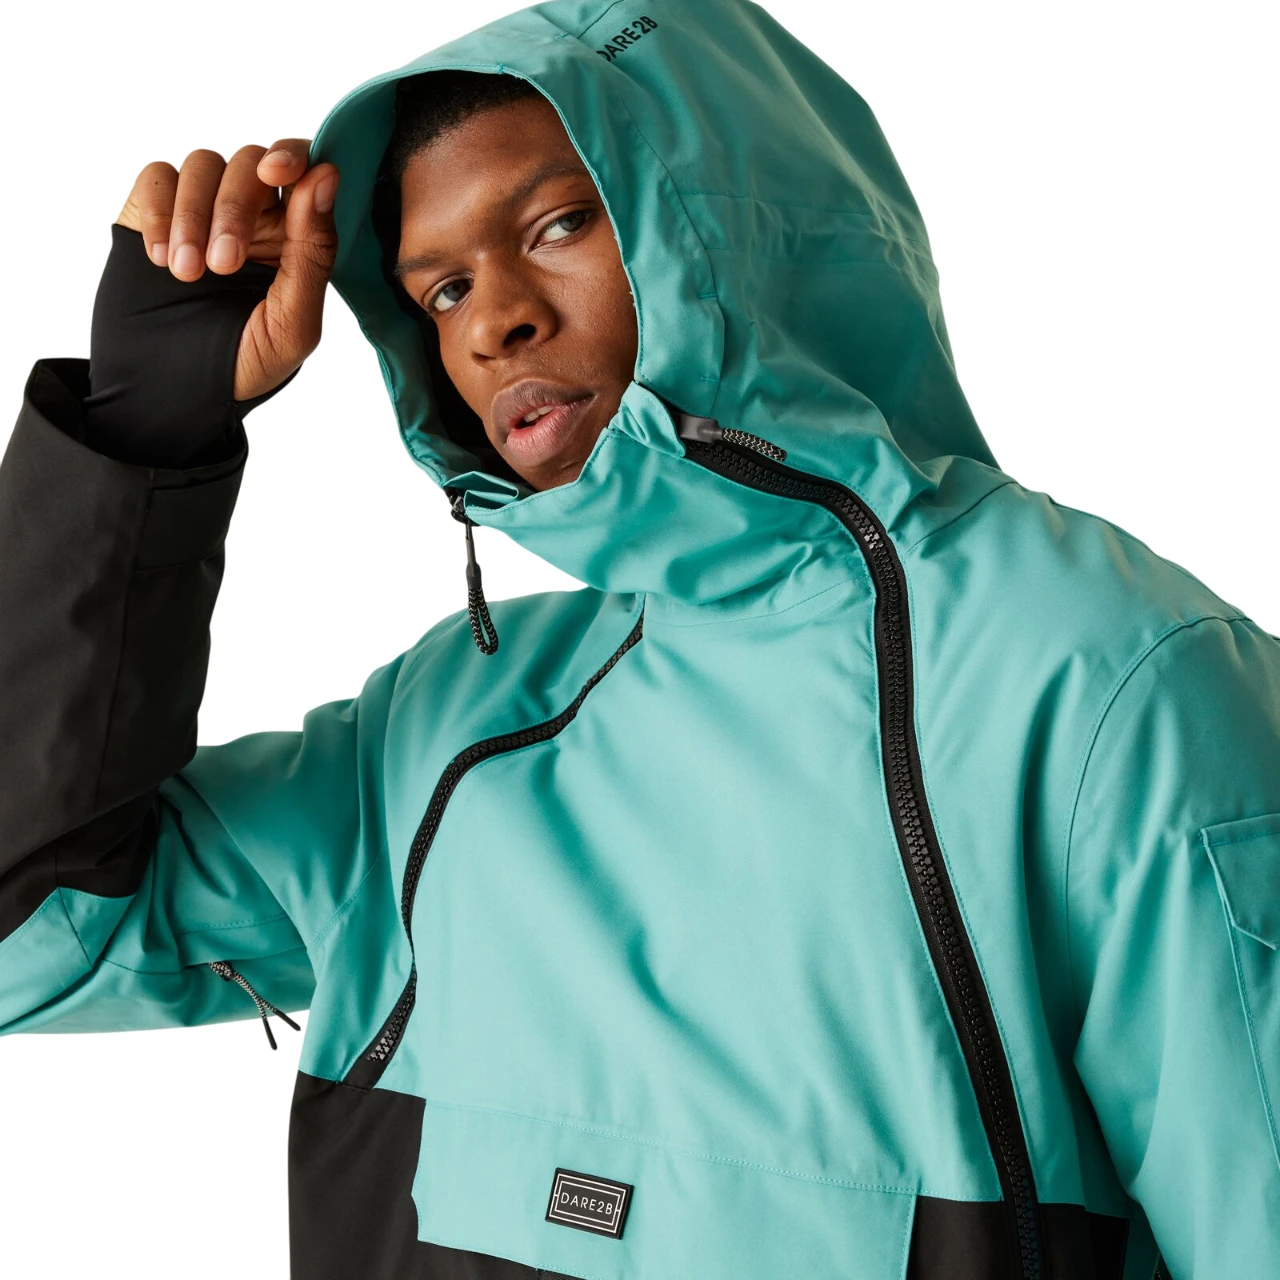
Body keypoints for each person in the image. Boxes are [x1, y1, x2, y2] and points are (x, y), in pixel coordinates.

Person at [1, 2, 1276, 1277]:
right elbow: (28, 945)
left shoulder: (1112, 685)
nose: (491, 322)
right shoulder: (451, 722)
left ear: (739, 219)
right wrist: (133, 447)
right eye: (443, 288)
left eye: (557, 224)